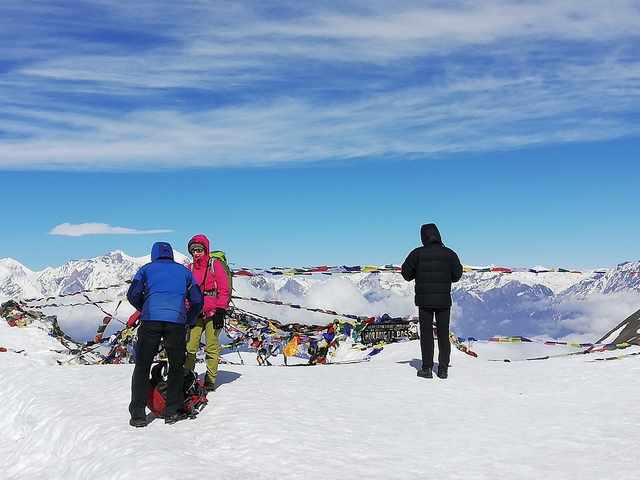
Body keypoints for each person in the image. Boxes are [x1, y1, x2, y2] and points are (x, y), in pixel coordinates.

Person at [126, 241, 204, 427]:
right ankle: (172, 411)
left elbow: (132, 294)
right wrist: (190, 319)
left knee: (143, 366)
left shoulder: (145, 269)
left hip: (150, 321)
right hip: (176, 322)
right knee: (176, 366)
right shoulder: (185, 272)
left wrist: (144, 308)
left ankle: (138, 415)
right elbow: (198, 300)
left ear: (154, 254)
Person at [401, 223, 462, 379]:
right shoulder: (450, 254)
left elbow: (406, 274)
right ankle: (443, 369)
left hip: (424, 301)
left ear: (423, 237)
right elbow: (457, 275)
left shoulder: (417, 254)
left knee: (427, 334)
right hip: (443, 301)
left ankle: (427, 368)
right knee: (443, 333)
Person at [184, 234, 230, 392]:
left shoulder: (214, 265)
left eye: (199, 250)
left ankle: (210, 379)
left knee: (211, 347)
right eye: (193, 250)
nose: (196, 253)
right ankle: (187, 375)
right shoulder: (190, 268)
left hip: (213, 312)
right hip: (195, 313)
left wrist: (220, 311)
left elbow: (224, 289)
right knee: (190, 347)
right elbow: (186, 292)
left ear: (205, 249)